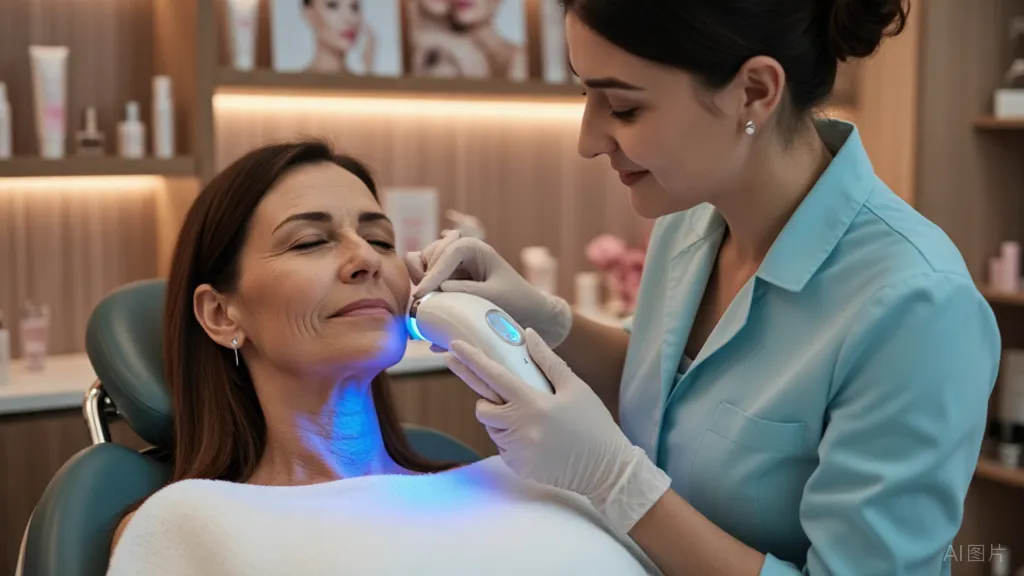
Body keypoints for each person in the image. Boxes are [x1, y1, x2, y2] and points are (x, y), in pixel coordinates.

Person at [408, 1, 1003, 574]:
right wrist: (541, 316)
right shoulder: (691, 218)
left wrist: (617, 482)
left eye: (624, 107)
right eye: (587, 94)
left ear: (754, 92)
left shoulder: (916, 308)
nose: (588, 140)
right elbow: (675, 389)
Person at [104, 141, 659, 575]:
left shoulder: (524, 479)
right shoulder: (189, 524)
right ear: (221, 314)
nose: (365, 259)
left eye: (381, 240)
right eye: (309, 242)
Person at [303, 0, 375, 74]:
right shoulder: (297, 80)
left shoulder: (364, 77)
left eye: (354, 7)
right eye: (333, 6)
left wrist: (367, 73)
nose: (350, 18)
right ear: (309, 13)